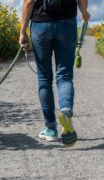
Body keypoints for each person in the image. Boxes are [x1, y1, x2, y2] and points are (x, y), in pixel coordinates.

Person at [19, 0, 90, 147]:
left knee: (44, 78)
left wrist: (22, 31)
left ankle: (51, 129)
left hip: (40, 25)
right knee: (64, 76)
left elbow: (29, 1)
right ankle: (66, 109)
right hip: (67, 24)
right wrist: (84, 13)